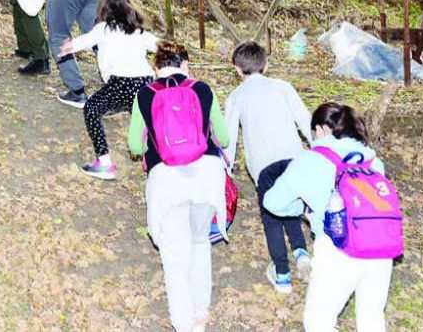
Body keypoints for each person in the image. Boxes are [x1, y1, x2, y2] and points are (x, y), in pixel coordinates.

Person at [264, 103, 394, 331]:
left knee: (318, 321)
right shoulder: (374, 161)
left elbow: (272, 202)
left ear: (322, 129)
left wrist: (303, 211)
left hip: (338, 249)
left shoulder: (310, 160)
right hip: (381, 249)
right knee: (371, 320)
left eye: (313, 132)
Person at [127, 41, 229, 332]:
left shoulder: (144, 95)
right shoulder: (203, 89)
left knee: (174, 256)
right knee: (199, 243)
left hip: (167, 181)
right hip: (206, 176)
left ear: (155, 66)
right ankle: (200, 314)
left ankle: (183, 324)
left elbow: (135, 145)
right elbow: (222, 137)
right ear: (184, 65)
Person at [224, 40, 313, 294]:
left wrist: (226, 169)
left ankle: (282, 274)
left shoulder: (236, 96)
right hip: (294, 158)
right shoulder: (283, 87)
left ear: (237, 70)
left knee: (272, 215)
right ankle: (301, 253)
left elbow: (229, 137)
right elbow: (304, 119)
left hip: (264, 166)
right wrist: (319, 148)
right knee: (292, 202)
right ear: (266, 64)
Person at [58, 0, 157, 180]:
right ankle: (156, 161)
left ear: (104, 10)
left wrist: (67, 47)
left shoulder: (103, 29)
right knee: (147, 121)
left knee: (91, 109)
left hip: (121, 83)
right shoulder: (138, 31)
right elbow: (161, 46)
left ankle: (104, 163)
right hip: (146, 83)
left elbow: (83, 42)